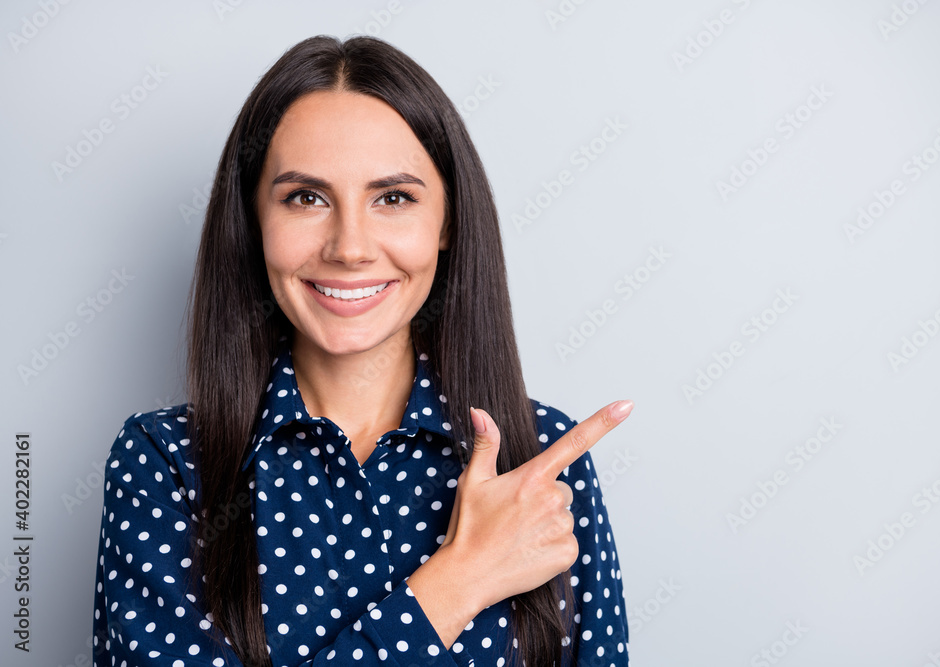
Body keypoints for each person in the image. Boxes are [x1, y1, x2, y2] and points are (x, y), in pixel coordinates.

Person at [91, 34, 632, 667]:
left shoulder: (537, 463)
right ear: (254, 219)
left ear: (448, 222)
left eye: (393, 198)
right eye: (306, 198)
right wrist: (460, 582)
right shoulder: (166, 465)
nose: (350, 247)